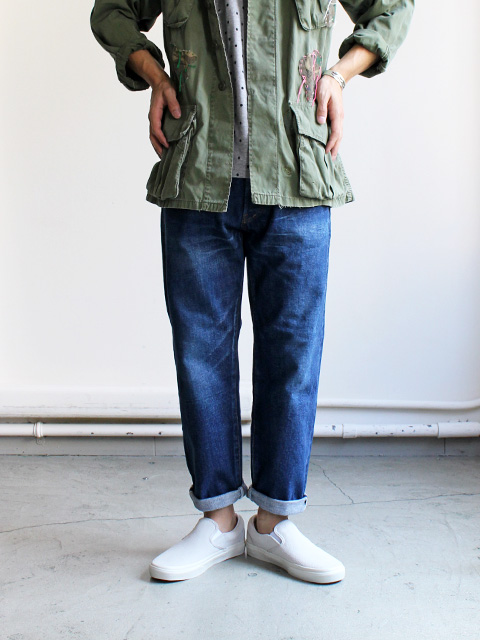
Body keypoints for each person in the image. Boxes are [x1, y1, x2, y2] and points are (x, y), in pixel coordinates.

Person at [90, 0, 414, 584]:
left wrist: (339, 76)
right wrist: (156, 75)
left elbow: (391, 9)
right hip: (198, 173)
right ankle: (216, 521)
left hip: (296, 172)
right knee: (201, 354)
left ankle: (273, 523)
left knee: (293, 355)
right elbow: (112, 11)